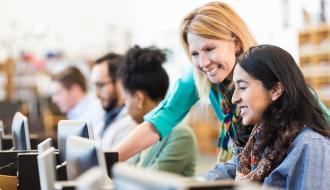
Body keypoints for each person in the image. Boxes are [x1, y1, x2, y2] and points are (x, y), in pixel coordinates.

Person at [114, 1, 330, 163]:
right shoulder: (201, 77)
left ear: (235, 43)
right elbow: (161, 119)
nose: (203, 62)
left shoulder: (268, 70)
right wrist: (109, 159)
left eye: (210, 49)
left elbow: (319, 122)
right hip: (249, 166)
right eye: (195, 53)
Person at [207, 44, 330, 189]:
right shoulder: (257, 139)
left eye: (242, 87)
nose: (234, 98)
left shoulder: (310, 146)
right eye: (235, 89)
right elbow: (227, 170)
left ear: (276, 90)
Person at [119, 45, 197, 176]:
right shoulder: (142, 135)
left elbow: (145, 183)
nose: (125, 109)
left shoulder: (181, 134)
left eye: (125, 100)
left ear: (139, 98)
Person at [91, 52, 137, 151]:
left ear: (120, 82)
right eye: (94, 86)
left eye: (100, 85)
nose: (96, 94)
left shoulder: (130, 122)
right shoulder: (107, 116)